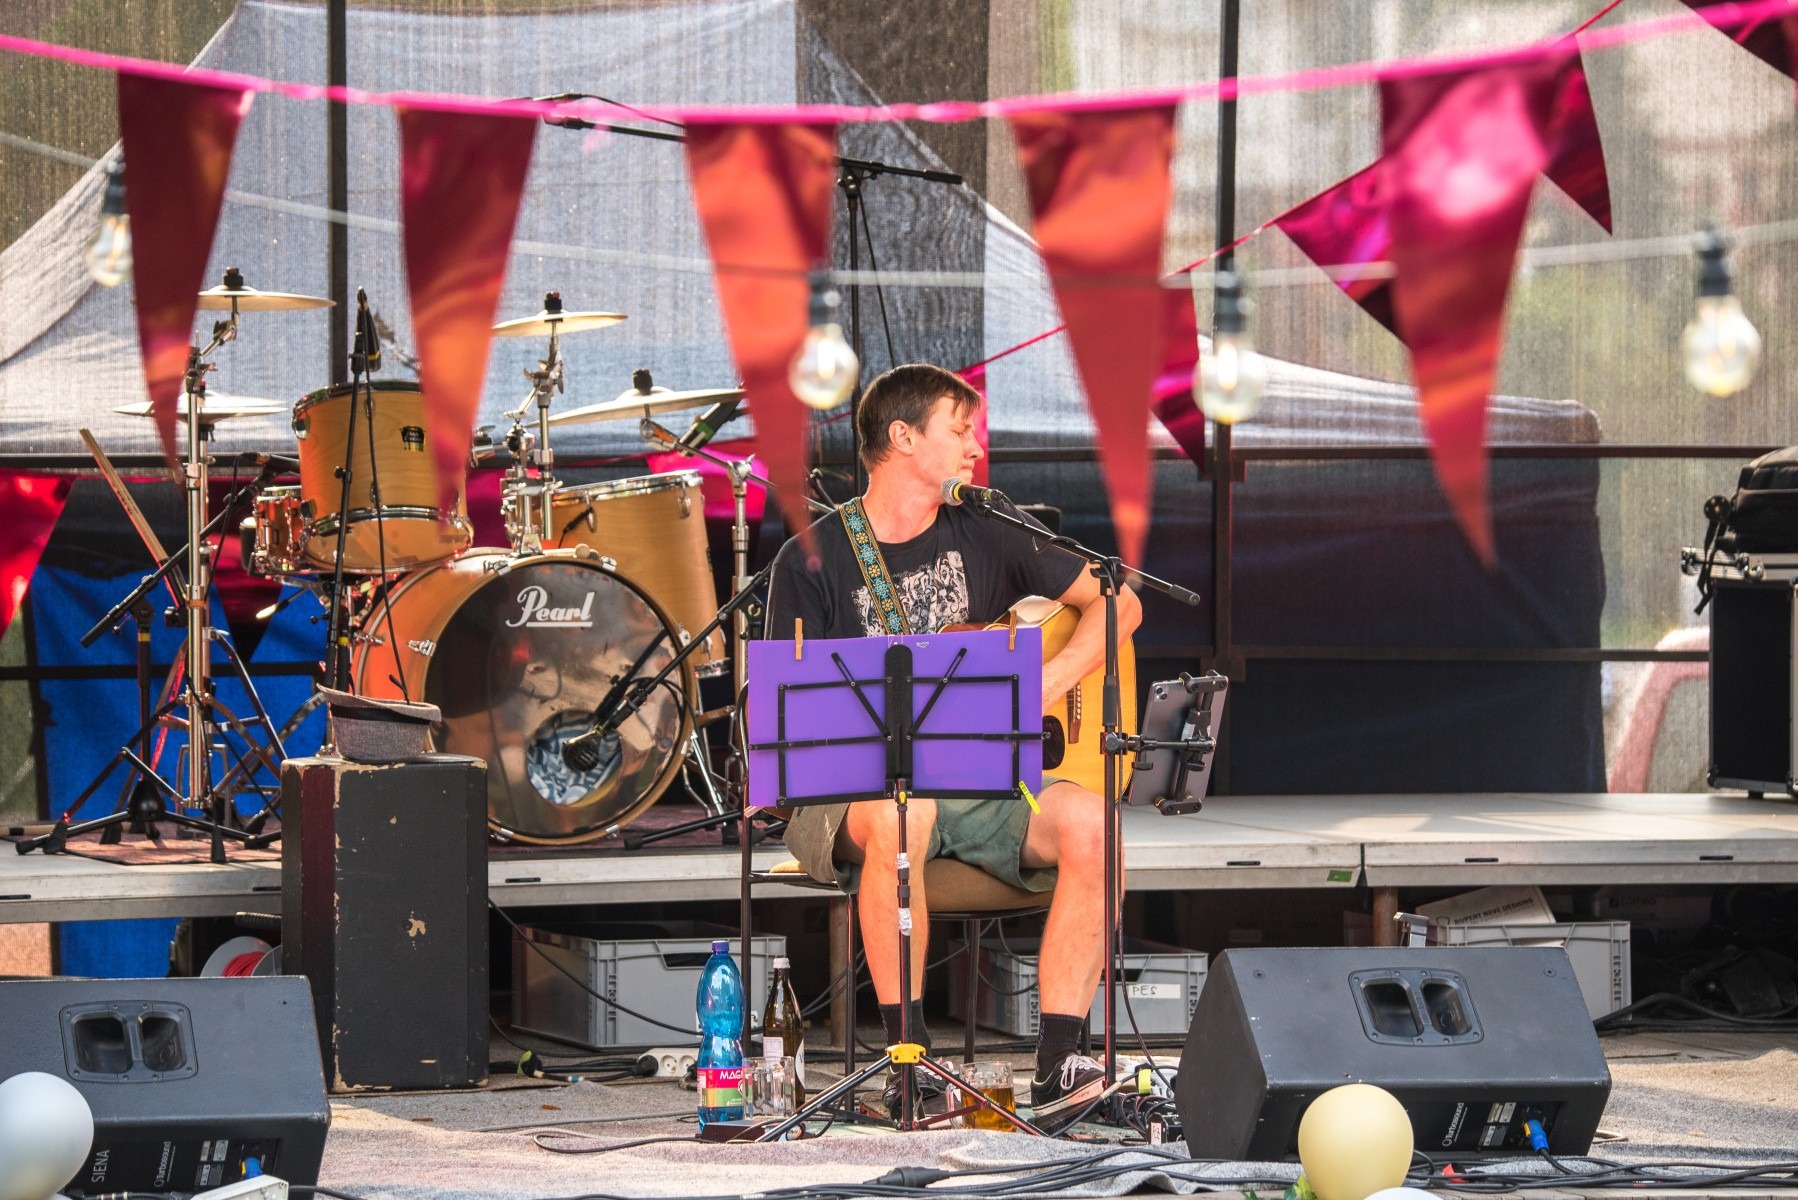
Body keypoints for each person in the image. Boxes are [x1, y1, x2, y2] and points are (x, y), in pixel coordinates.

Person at [763, 362, 1143, 1131]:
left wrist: (1054, 675)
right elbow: (785, 714)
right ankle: (909, 1065)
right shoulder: (812, 556)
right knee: (904, 816)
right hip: (851, 790)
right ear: (903, 437)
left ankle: (1060, 1066)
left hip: (974, 776)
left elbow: (1119, 601)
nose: (976, 447)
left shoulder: (989, 527)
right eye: (961, 429)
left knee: (1093, 824)